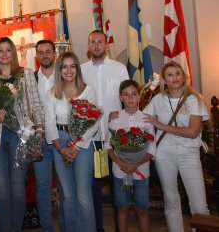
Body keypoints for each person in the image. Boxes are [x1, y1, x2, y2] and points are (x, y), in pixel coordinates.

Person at [0, 36, 44, 232]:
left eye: (8, 50)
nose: (5, 54)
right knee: (0, 189)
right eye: (0, 50)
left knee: (17, 188)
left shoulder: (25, 74)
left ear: (13, 53)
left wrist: (40, 132)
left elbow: (36, 106)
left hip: (21, 138)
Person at [143, 61, 209, 232]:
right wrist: (118, 115)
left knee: (199, 204)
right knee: (171, 200)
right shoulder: (158, 100)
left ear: (184, 76)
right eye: (170, 75)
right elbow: (141, 119)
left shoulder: (194, 99)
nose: (175, 78)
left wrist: (161, 125)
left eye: (178, 73)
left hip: (189, 154)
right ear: (164, 79)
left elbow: (193, 132)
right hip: (164, 154)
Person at [44, 52, 98, 232]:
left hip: (82, 142)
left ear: (77, 69)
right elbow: (49, 122)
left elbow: (94, 122)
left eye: (72, 66)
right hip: (60, 141)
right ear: (59, 70)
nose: (69, 70)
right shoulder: (52, 93)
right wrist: (60, 149)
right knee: (67, 194)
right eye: (64, 66)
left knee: (83, 194)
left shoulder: (88, 90)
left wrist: (76, 145)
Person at [81, 29, 128, 232]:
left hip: (115, 136)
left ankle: (121, 227)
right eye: (93, 42)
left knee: (118, 184)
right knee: (93, 187)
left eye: (100, 42)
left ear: (106, 45)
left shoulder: (119, 69)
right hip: (91, 138)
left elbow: (128, 96)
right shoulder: (81, 70)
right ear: (88, 45)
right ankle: (97, 227)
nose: (97, 45)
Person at [105, 79, 155, 232]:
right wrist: (120, 162)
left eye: (134, 94)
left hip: (141, 171)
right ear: (120, 97)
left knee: (142, 209)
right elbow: (108, 145)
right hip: (120, 171)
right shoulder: (115, 119)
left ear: (140, 96)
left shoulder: (147, 119)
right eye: (126, 95)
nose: (130, 98)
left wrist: (136, 164)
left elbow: (152, 149)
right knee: (122, 208)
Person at [33, 39, 64, 232]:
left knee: (64, 186)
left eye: (48, 52)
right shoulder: (31, 79)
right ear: (37, 57)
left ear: (54, 54)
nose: (45, 55)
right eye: (41, 52)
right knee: (42, 187)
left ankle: (66, 225)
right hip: (39, 140)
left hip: (60, 138)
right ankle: (47, 228)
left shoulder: (63, 76)